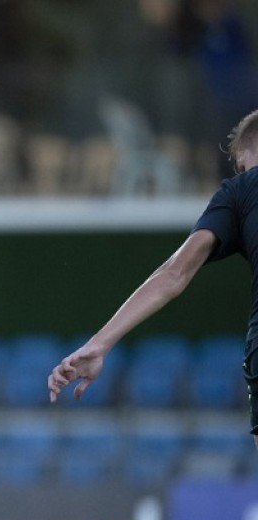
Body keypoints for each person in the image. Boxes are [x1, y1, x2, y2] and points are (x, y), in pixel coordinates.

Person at [48, 108, 258, 444]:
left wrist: (98, 345)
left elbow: (174, 274)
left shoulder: (242, 189)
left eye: (244, 167)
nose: (244, 174)